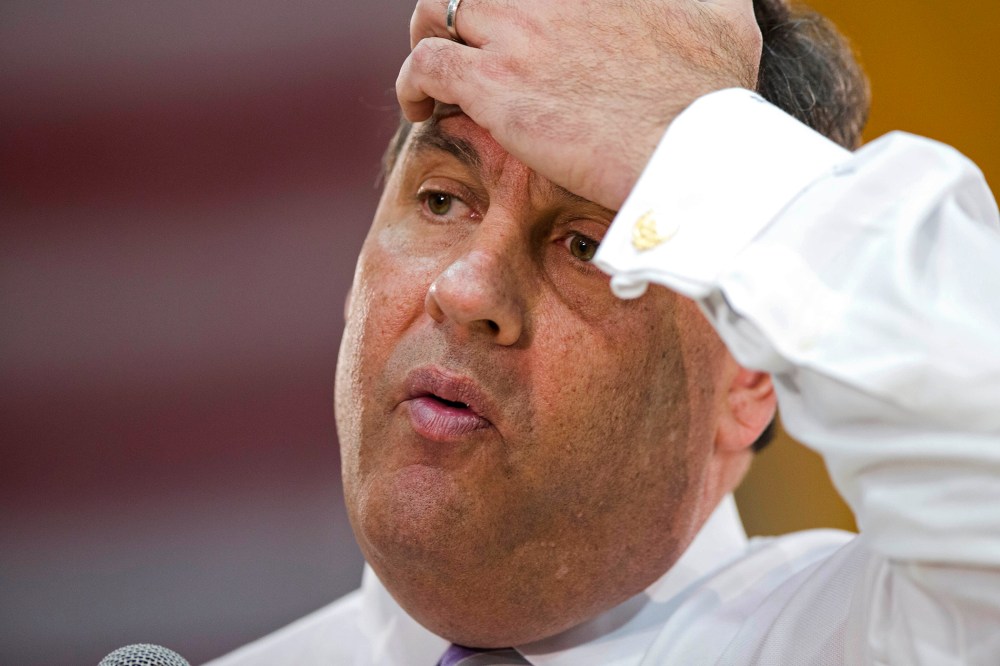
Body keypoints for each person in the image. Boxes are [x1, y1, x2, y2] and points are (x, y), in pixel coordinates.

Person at [208, 0, 1000, 663]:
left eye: (588, 244)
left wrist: (702, 142)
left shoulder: (862, 639)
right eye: (443, 200)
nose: (466, 289)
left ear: (751, 375)